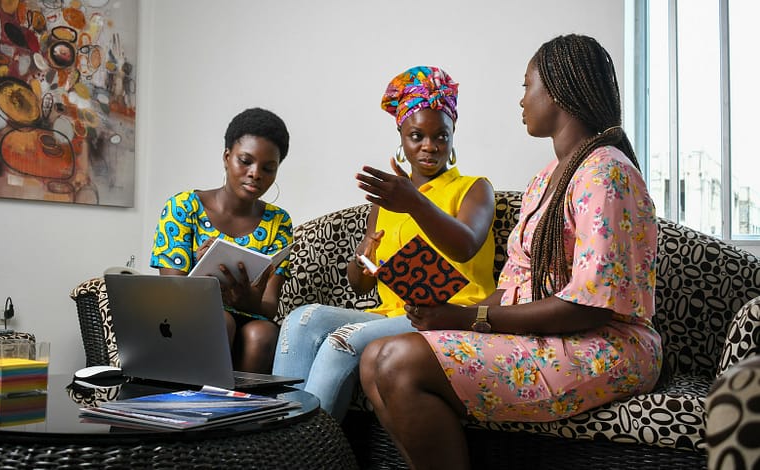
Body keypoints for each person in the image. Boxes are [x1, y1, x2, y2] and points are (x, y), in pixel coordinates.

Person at [359, 34, 663, 469]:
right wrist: (446, 316)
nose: (522, 100)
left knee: (396, 360)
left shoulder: (606, 173)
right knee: (375, 359)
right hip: (552, 335)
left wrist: (471, 319)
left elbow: (591, 308)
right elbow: (517, 283)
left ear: (555, 91)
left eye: (527, 86)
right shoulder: (545, 179)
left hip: (605, 345)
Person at [272, 65, 497, 421]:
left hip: (449, 313)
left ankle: (303, 448)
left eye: (441, 136)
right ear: (401, 137)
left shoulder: (474, 188)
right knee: (302, 319)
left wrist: (415, 202)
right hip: (392, 314)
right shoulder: (387, 200)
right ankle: (279, 436)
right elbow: (362, 283)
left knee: (340, 341)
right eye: (416, 136)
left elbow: (466, 245)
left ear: (454, 135)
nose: (429, 146)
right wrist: (363, 260)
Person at [150, 107, 292, 374]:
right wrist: (203, 279)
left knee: (262, 332)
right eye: (245, 161)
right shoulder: (183, 207)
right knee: (221, 320)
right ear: (227, 157)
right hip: (187, 315)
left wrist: (245, 297)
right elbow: (170, 295)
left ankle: (245, 413)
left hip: (248, 318)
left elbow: (269, 308)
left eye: (268, 168)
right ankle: (203, 407)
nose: (255, 173)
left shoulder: (279, 222)